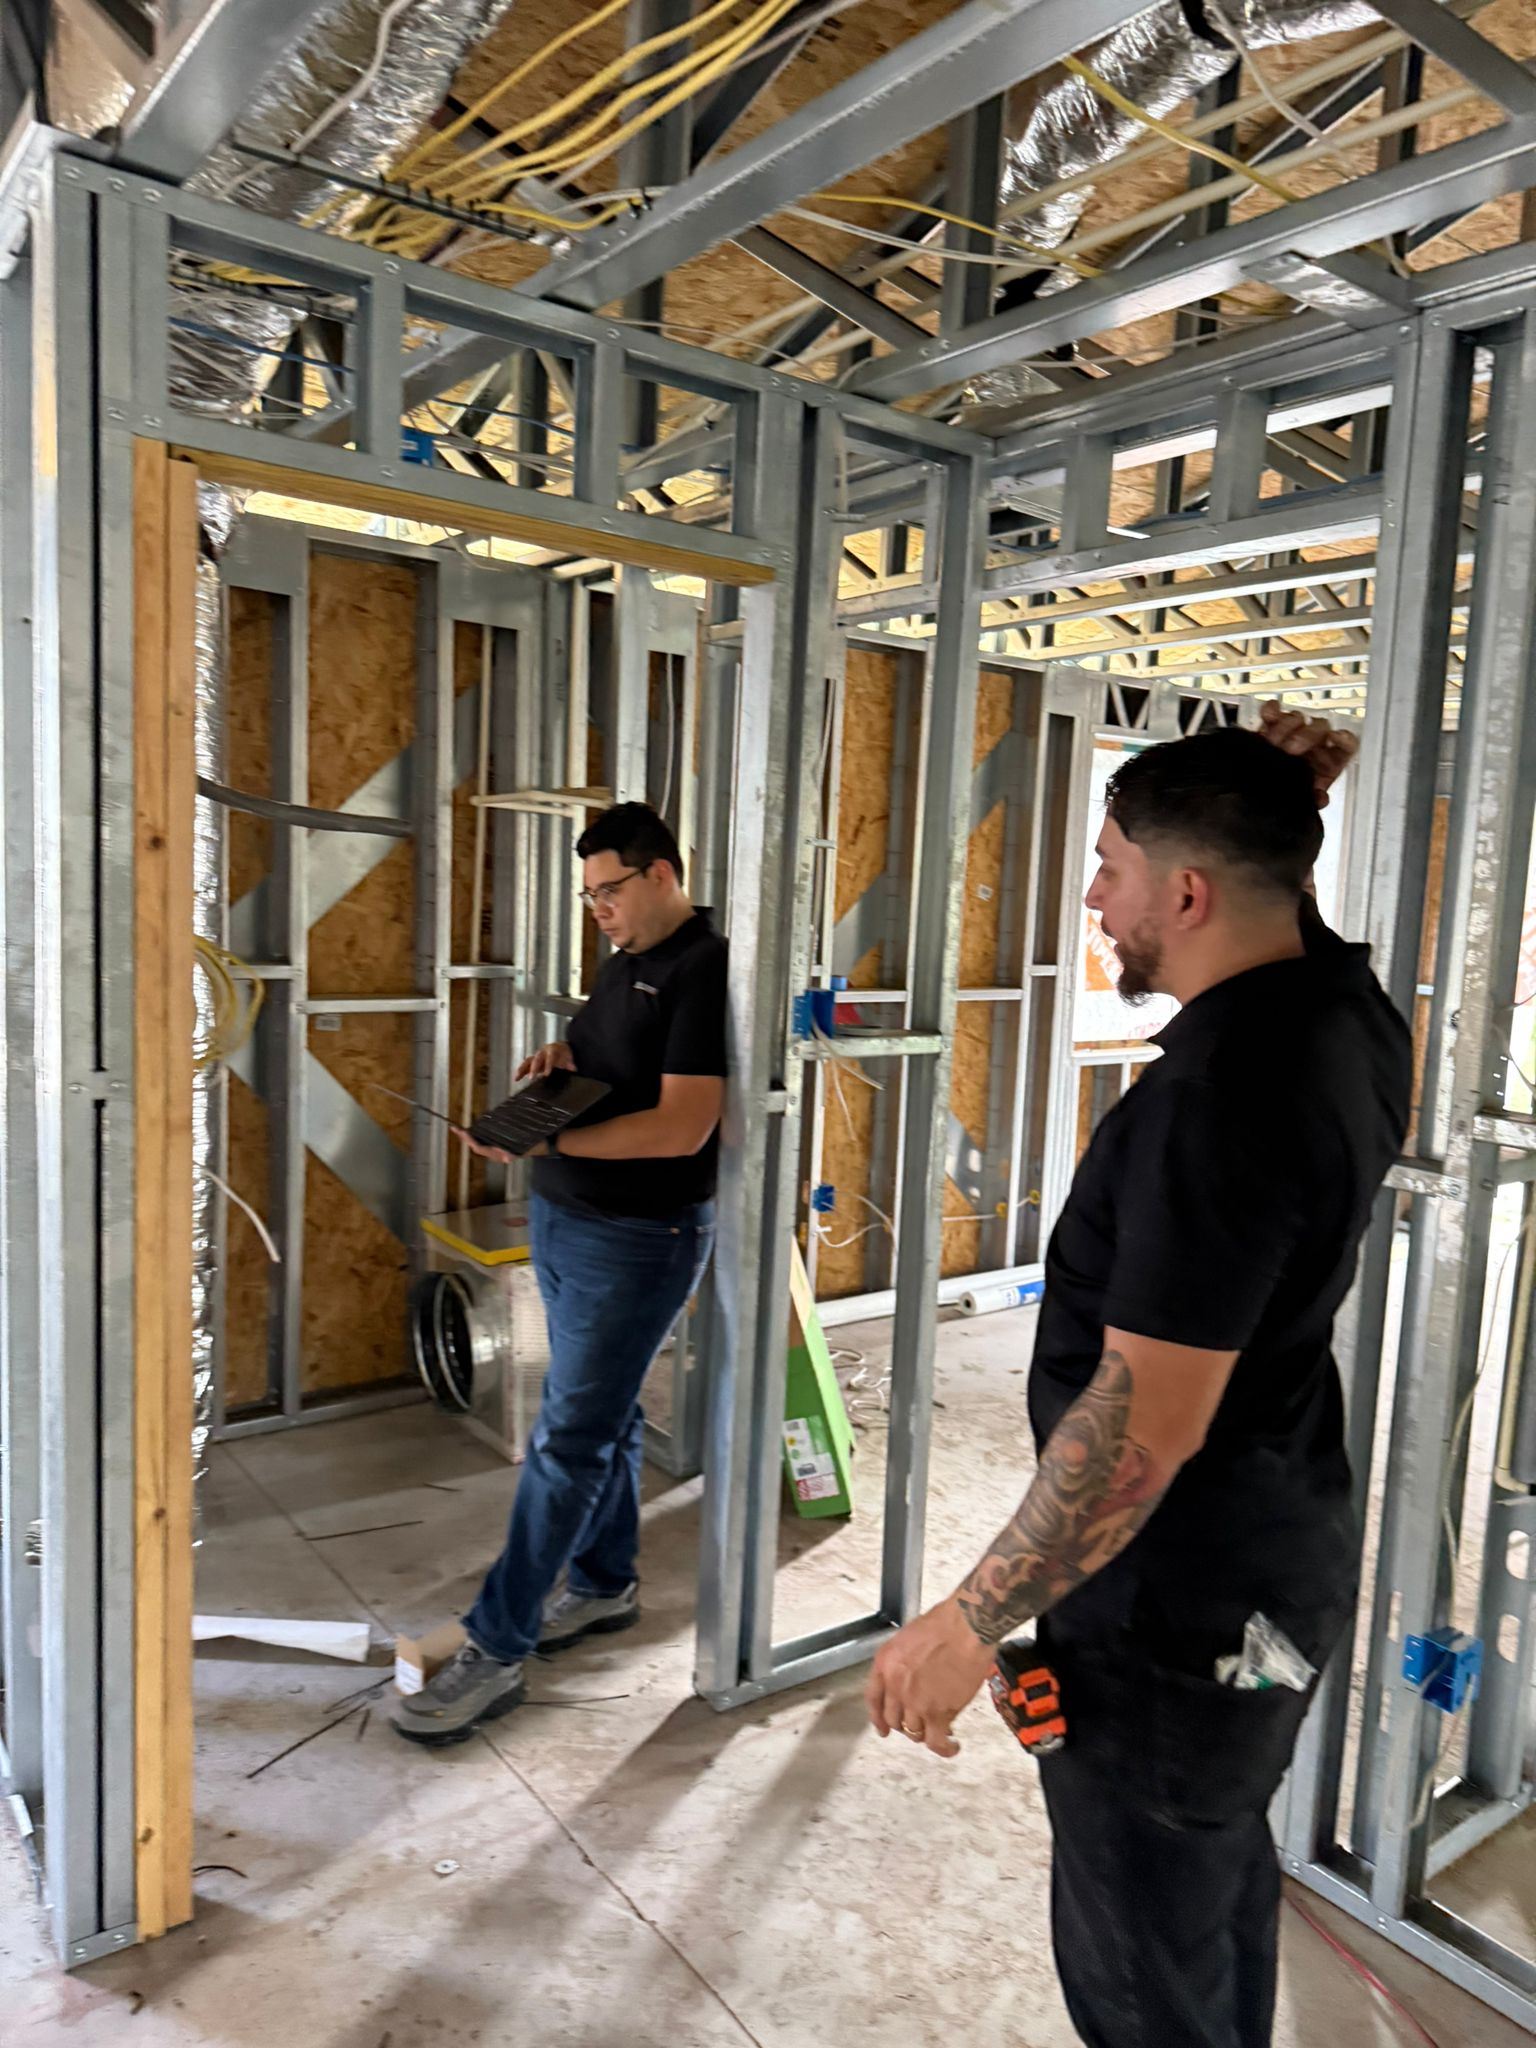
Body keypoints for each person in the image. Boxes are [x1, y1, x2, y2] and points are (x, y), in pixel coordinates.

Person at [865, 709, 1410, 2048]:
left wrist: (966, 1621)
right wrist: (1280, 807)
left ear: (1186, 891)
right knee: (1209, 1888)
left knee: (1137, 1972)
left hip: (1173, 1622)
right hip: (1274, 1573)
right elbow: (1278, 902)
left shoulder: (1214, 1105)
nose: (1094, 898)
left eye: (1109, 866)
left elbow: (1142, 1439)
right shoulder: (1348, 1016)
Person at [393, 802, 727, 1747]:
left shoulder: (707, 971)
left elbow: (683, 1125)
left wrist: (560, 1137)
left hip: (639, 1237)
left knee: (567, 1439)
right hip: (573, 1220)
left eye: (610, 891)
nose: (599, 911)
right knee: (605, 1418)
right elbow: (618, 1066)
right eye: (589, 898)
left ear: (663, 873)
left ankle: (495, 1652)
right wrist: (563, 1063)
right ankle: (604, 1584)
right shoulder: (627, 964)